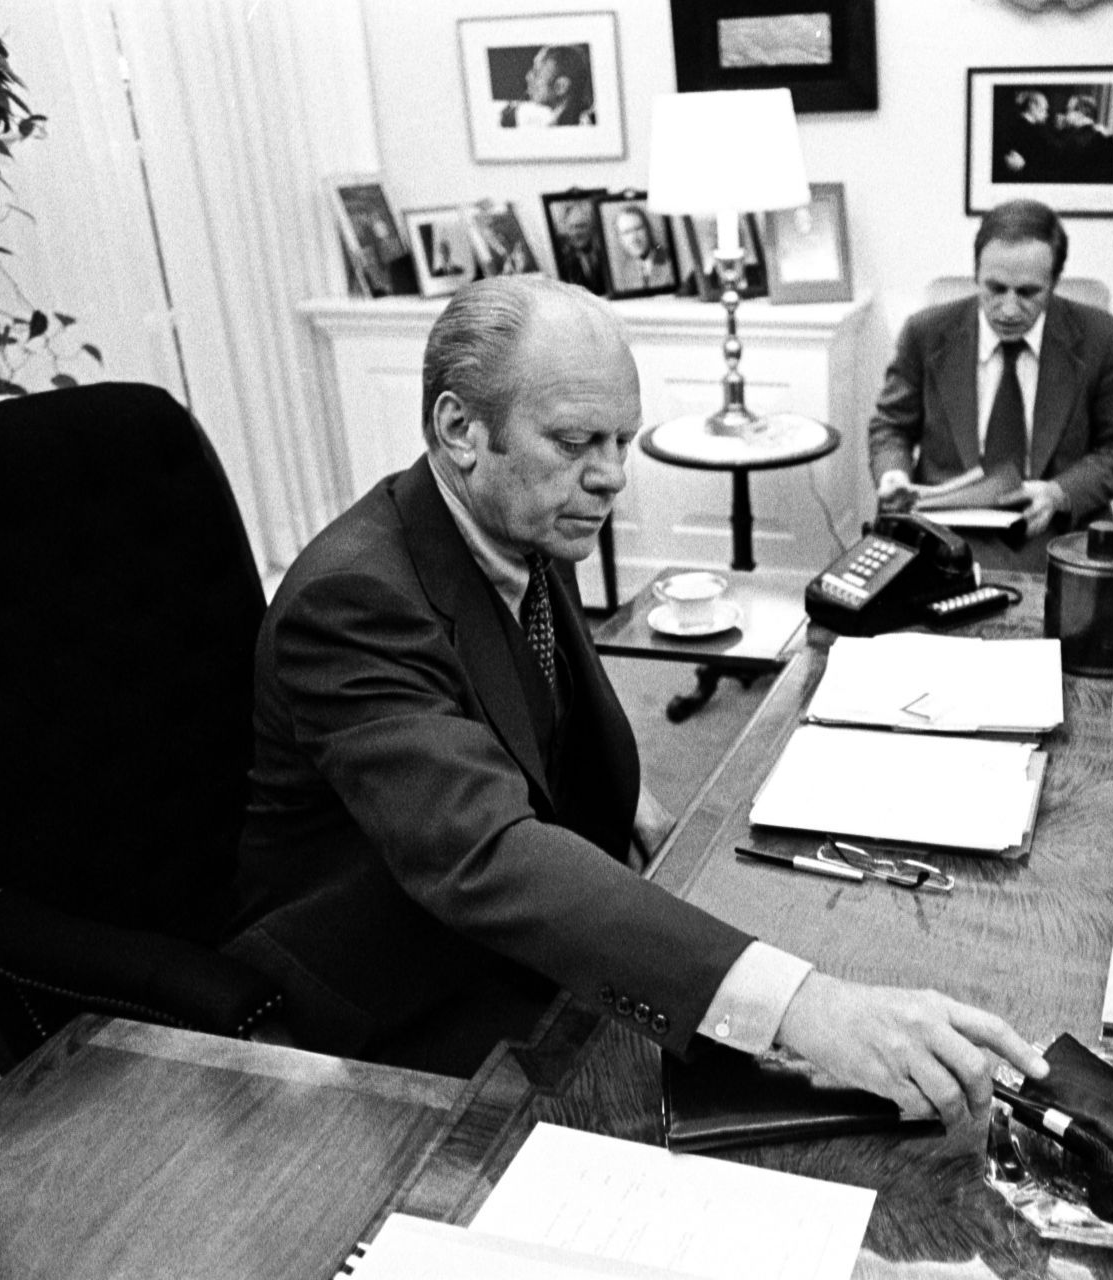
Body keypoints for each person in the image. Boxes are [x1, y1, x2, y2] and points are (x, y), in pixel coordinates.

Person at [227, 276, 1048, 1126]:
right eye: (578, 441)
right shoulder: (354, 598)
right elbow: (484, 852)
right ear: (459, 430)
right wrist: (806, 1008)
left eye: (622, 438)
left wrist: (615, 793)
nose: (613, 476)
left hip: (508, 941)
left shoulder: (519, 515)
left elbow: (521, 710)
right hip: (390, 1002)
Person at [868, 199, 1113, 570]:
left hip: (1056, 529)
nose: (1010, 310)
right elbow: (891, 427)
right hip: (945, 529)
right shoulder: (925, 334)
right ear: (976, 275)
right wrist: (894, 475)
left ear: (1054, 283)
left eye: (1029, 293)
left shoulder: (1101, 338)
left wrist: (1059, 493)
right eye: (995, 289)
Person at [1050, 93, 1113, 185]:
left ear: (1080, 113)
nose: (1065, 115)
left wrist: (1059, 132)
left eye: (1068, 110)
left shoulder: (1073, 138)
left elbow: (1061, 170)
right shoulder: (1108, 136)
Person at [993, 90, 1054, 183]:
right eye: (1044, 109)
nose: (1047, 114)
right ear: (1032, 106)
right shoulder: (1028, 130)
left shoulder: (1031, 127)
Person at [609, 205, 674, 292]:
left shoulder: (670, 262)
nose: (634, 238)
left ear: (648, 229)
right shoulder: (626, 272)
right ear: (620, 239)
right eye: (626, 232)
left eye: (638, 228)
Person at [552, 201, 609, 295]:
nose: (576, 233)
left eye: (581, 226)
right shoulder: (563, 261)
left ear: (592, 227)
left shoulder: (606, 255)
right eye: (571, 227)